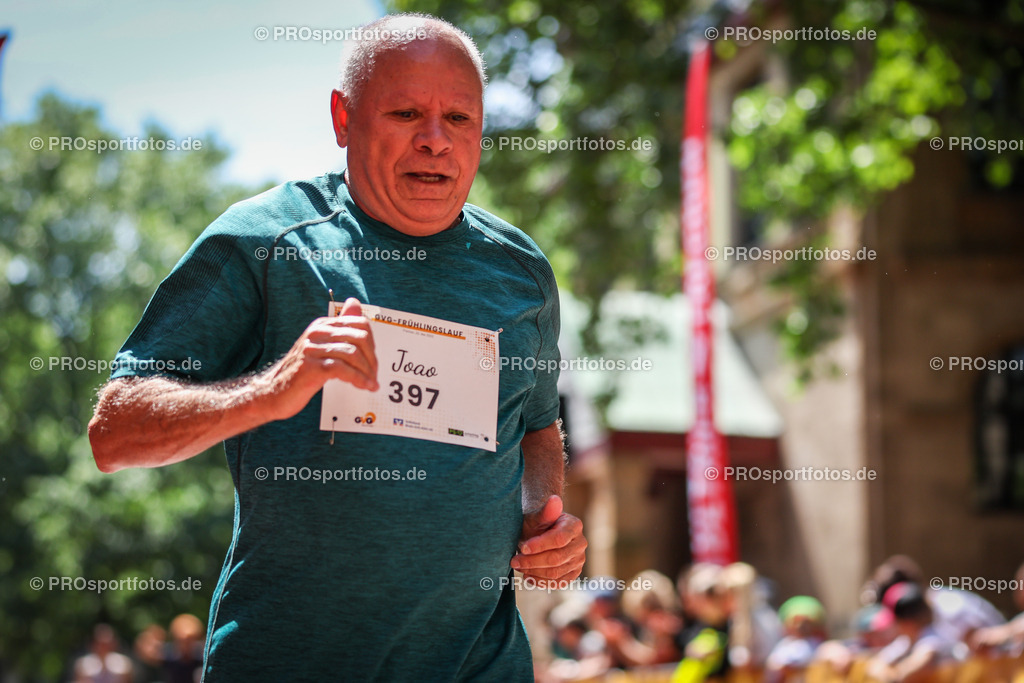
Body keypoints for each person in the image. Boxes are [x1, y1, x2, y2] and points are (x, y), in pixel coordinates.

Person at [88, 13, 586, 680]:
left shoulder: (522, 272)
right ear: (343, 118)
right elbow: (115, 431)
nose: (435, 141)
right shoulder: (266, 242)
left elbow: (538, 433)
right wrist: (275, 388)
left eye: (460, 120)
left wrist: (540, 520)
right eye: (407, 112)